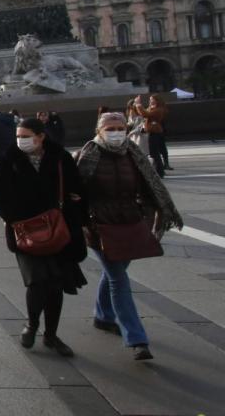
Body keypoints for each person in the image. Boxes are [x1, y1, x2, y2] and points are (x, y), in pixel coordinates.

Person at [76, 112, 184, 361]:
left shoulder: (133, 155)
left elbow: (150, 186)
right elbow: (75, 191)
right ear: (99, 130)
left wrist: (152, 213)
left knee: (115, 272)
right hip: (98, 225)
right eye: (110, 128)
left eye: (120, 127)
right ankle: (136, 338)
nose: (116, 132)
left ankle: (103, 316)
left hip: (130, 224)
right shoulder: (88, 155)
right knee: (118, 279)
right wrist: (80, 222)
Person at [0, 117, 88, 358]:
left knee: (55, 283)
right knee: (37, 281)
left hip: (57, 230)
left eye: (26, 135)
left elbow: (77, 190)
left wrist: (75, 215)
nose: (21, 140)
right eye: (19, 136)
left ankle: (51, 335)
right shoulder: (9, 158)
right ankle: (32, 325)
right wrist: (13, 218)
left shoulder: (60, 158)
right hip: (25, 230)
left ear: (41, 136)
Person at [132, 94, 171, 176]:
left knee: (155, 153)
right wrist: (138, 105)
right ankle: (159, 171)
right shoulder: (154, 108)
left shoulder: (159, 110)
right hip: (152, 132)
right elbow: (143, 113)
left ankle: (160, 172)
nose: (150, 101)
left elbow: (146, 114)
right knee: (154, 153)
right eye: (150, 99)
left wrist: (138, 104)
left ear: (157, 100)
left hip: (155, 132)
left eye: (152, 99)